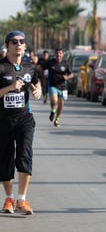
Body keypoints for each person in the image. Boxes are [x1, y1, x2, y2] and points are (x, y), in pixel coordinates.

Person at [0, 30, 42, 215]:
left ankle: (21, 200)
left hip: (25, 119)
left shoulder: (30, 66)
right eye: (14, 42)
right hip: (3, 120)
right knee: (5, 160)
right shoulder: (1, 67)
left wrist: (37, 91)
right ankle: (9, 198)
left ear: (25, 46)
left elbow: (36, 82)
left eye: (21, 42)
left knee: (25, 156)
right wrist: (9, 88)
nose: (18, 44)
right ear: (7, 46)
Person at [42, 48, 73, 127]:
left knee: (61, 105)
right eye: (57, 53)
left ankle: (57, 118)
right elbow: (41, 68)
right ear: (55, 54)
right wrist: (43, 77)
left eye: (60, 53)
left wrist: (67, 77)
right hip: (53, 85)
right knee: (54, 101)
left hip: (63, 87)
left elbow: (71, 74)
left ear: (62, 54)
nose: (58, 55)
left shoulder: (66, 63)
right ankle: (53, 110)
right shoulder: (50, 63)